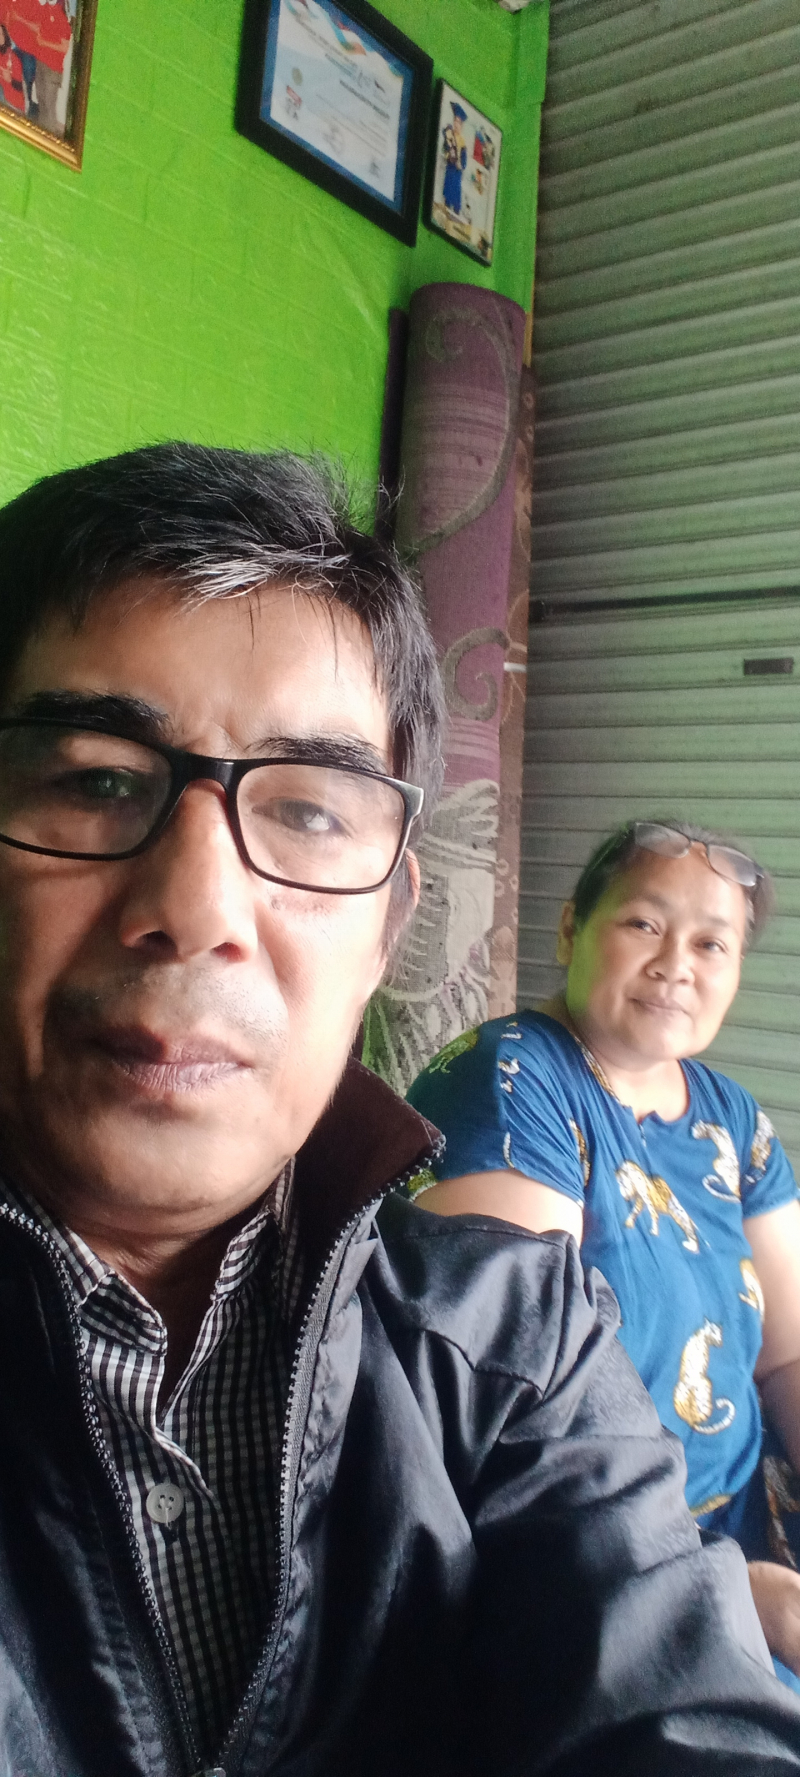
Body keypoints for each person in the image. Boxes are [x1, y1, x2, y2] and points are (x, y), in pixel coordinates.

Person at [0, 453, 799, 1777]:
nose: (197, 908)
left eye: (309, 811)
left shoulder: (513, 1343)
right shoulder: (517, 1083)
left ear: (388, 931)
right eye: (93, 780)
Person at [408, 819, 800, 1695]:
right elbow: (516, 1411)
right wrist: (725, 1587)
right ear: (571, 928)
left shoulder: (731, 1116)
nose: (676, 964)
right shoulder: (512, 1081)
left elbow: (788, 1352)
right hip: (597, 1561)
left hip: (750, 1520)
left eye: (712, 943)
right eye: (644, 923)